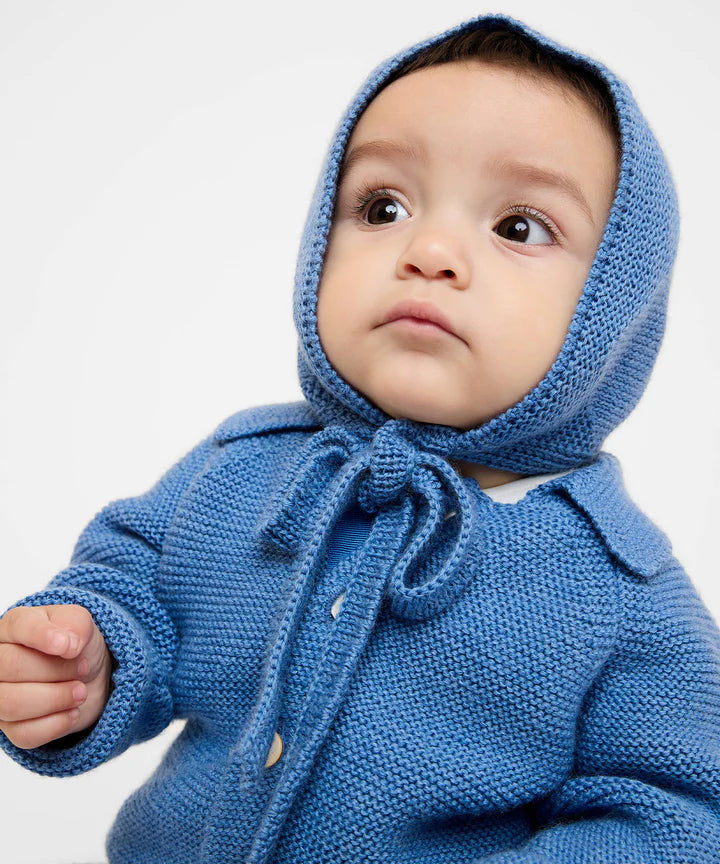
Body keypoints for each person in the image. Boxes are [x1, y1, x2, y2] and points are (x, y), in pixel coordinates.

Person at [1, 11, 719, 864]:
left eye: (519, 226)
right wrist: (91, 660)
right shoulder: (237, 470)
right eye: (382, 207)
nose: (431, 250)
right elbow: (132, 588)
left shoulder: (623, 591)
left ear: (616, 304)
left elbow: (681, 815)